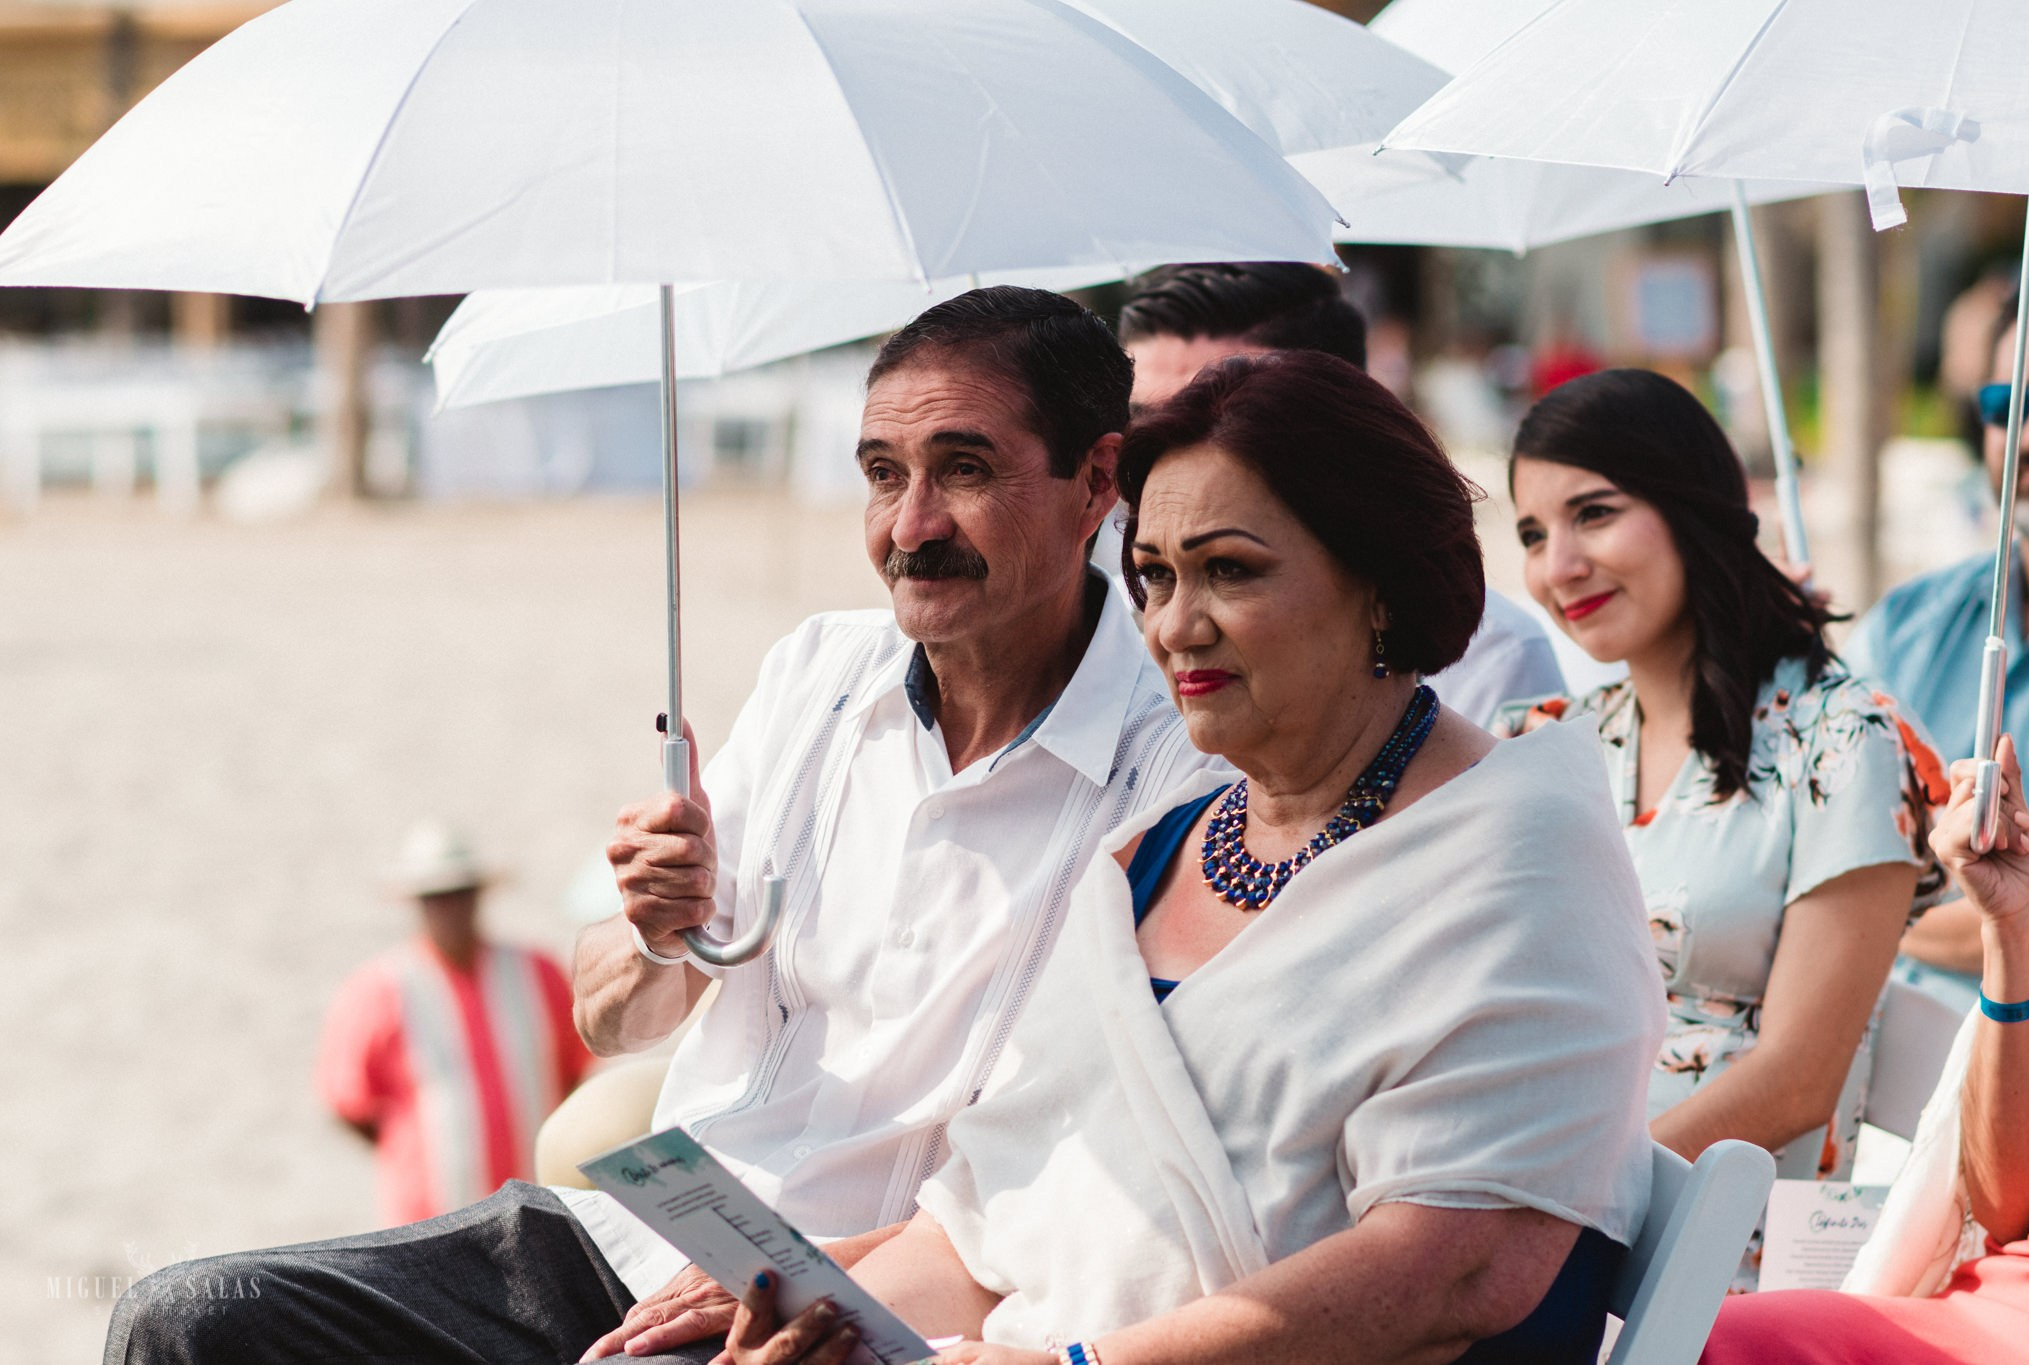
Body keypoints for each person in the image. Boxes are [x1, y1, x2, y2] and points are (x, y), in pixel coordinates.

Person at [106, 288, 1222, 1365]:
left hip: (864, 1297)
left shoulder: (1174, 761)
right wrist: (656, 930)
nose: (910, 526)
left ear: (1097, 480)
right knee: (190, 1318)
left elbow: (1089, 1164)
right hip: (647, 1234)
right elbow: (611, 1016)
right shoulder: (821, 674)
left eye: (963, 470)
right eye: (883, 476)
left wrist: (830, 1274)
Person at [724, 351, 1665, 1365]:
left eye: (1230, 570)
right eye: (1154, 576)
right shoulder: (1151, 850)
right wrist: (826, 1322)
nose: (1174, 625)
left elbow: (1455, 1266)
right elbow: (985, 1229)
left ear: (1380, 585)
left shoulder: (1519, 848)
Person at [1502, 370, 1945, 1209]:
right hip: (1529, 1208)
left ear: (1688, 509)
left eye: (1594, 513)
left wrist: (1559, 1204)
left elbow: (1798, 1081)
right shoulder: (1543, 741)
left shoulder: (1843, 740)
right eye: (1531, 533)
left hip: (1711, 1255)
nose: (1557, 565)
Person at [1699, 736, 2029, 1363]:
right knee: (1713, 1341)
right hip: (2011, 1287)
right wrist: (2011, 935)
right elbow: (2009, 1208)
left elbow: (1796, 1079)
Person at [1116, 261, 1567, 723]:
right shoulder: (1097, 640)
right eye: (1146, 422)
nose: (1182, 449)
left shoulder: (1492, 661)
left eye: (1231, 412)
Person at [1847, 270, 2029, 1007]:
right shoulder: (1909, 621)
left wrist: (1860, 912)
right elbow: (1813, 825)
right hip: (1874, 1062)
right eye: (2010, 404)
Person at [315, 819, 592, 1225]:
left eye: (458, 894)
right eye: (436, 897)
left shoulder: (538, 973)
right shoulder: (378, 990)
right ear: (417, 903)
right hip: (430, 1216)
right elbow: (348, 1103)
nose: (449, 908)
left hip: (536, 1204)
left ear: (478, 895)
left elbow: (573, 1069)